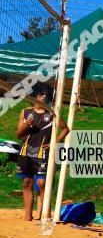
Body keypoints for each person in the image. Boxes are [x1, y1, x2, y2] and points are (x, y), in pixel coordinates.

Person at [16, 83, 68, 221]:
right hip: (25, 152)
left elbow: (66, 129)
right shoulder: (25, 112)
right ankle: (28, 216)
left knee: (42, 183)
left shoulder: (52, 114)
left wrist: (55, 141)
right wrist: (26, 125)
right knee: (27, 182)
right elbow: (18, 135)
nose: (44, 96)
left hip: (43, 153)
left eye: (46, 95)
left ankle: (45, 214)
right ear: (35, 95)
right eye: (41, 94)